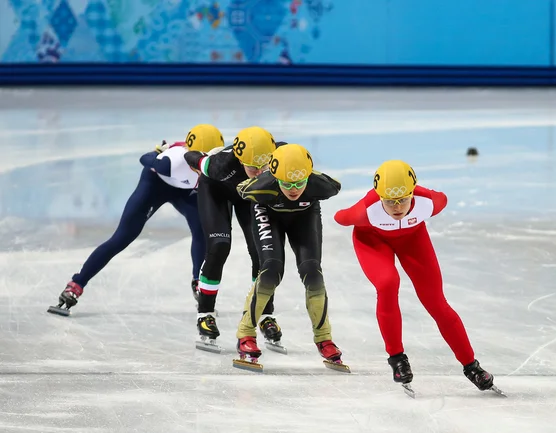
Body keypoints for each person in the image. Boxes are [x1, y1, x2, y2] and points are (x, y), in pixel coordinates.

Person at [334, 160, 501, 394]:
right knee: (387, 283)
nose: (397, 206)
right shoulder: (365, 211)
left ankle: (471, 366)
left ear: (413, 192)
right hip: (373, 241)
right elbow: (340, 217)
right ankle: (397, 358)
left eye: (403, 199)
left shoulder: (429, 202)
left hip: (413, 240)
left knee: (436, 303)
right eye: (389, 201)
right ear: (378, 195)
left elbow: (443, 197)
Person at [48, 124, 224, 316]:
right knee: (122, 237)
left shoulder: (218, 165)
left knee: (201, 230)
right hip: (156, 184)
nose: (207, 164)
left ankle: (198, 282)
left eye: (212, 158)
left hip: (185, 190)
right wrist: (156, 153)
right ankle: (76, 284)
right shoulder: (171, 162)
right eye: (202, 159)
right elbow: (144, 159)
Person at [232, 143, 347, 372]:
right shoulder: (262, 186)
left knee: (313, 273)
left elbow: (335, 186)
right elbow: (241, 189)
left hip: (305, 218)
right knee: (271, 270)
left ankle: (324, 338)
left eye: (299, 183)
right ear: (276, 178)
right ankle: (245, 334)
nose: (293, 189)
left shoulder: (319, 185)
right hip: (267, 214)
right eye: (286, 183)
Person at [184, 126, 284, 351]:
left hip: (248, 196)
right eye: (252, 167)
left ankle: (265, 314)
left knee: (262, 252)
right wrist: (199, 156)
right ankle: (205, 314)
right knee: (219, 247)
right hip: (215, 191)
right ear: (240, 160)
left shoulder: (277, 155)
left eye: (263, 167)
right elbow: (190, 156)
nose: (259, 172)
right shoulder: (219, 165)